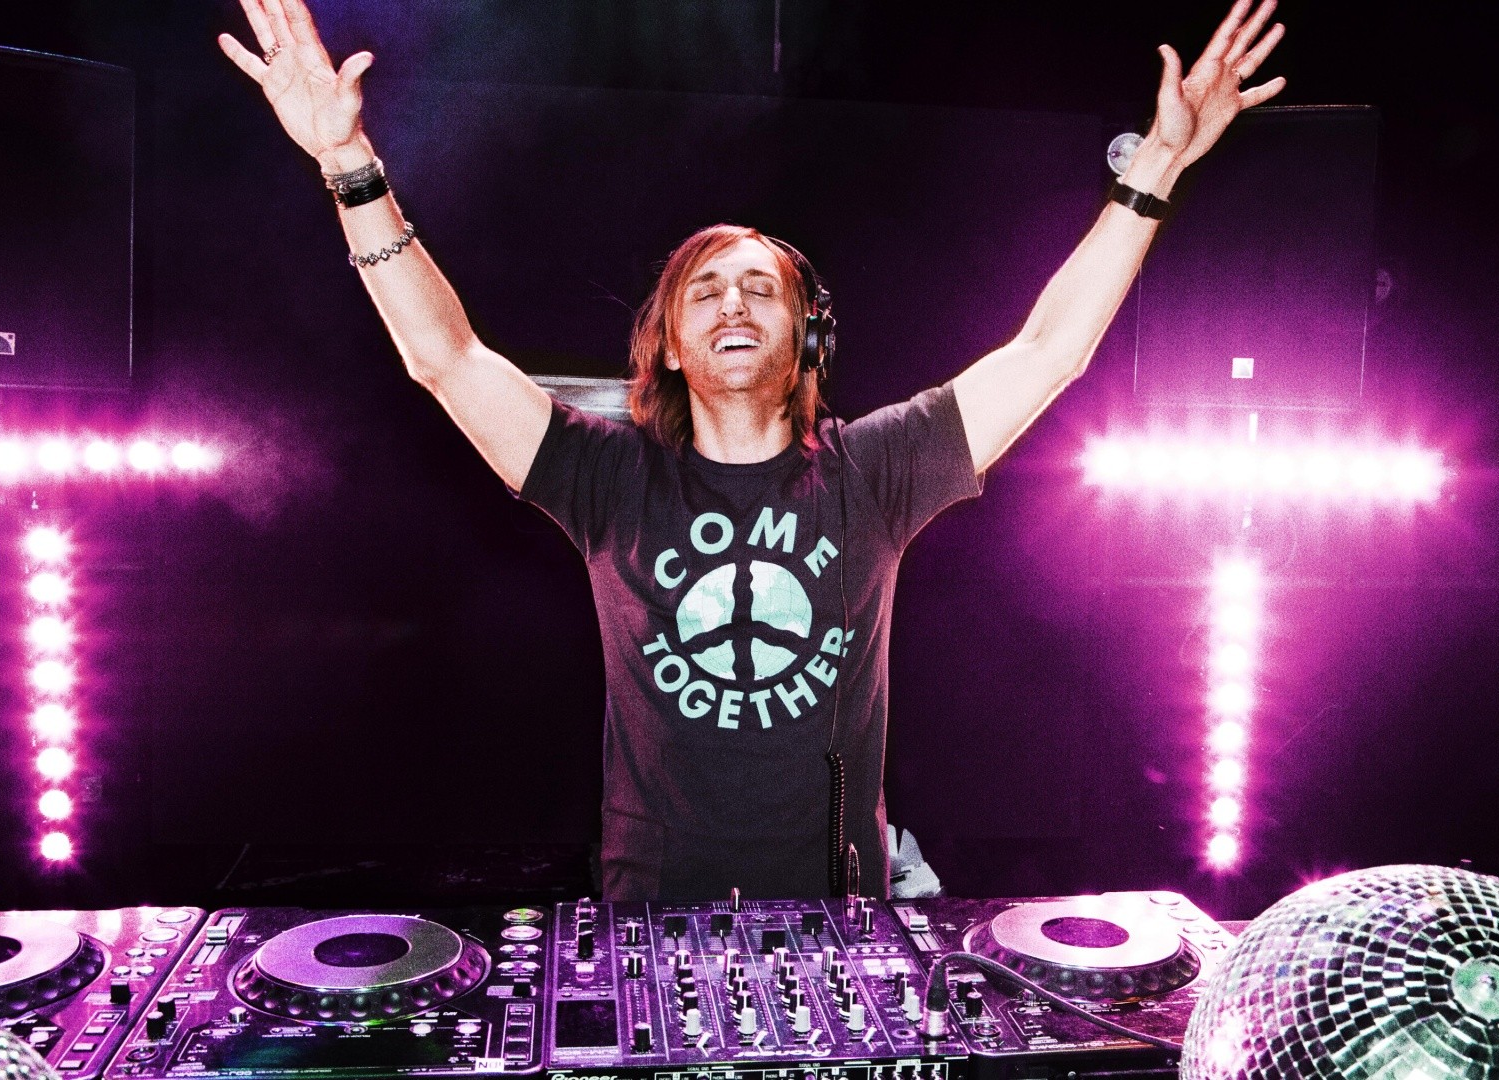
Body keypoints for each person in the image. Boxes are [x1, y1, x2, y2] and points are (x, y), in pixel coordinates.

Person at [219, 0, 1285, 900]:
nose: (733, 302)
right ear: (669, 345)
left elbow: (1048, 351)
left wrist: (1155, 168)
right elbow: (446, 357)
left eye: (760, 287)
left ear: (806, 338)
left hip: (842, 916)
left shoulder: (878, 470)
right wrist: (347, 162)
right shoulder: (606, 475)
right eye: (706, 290)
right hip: (651, 919)